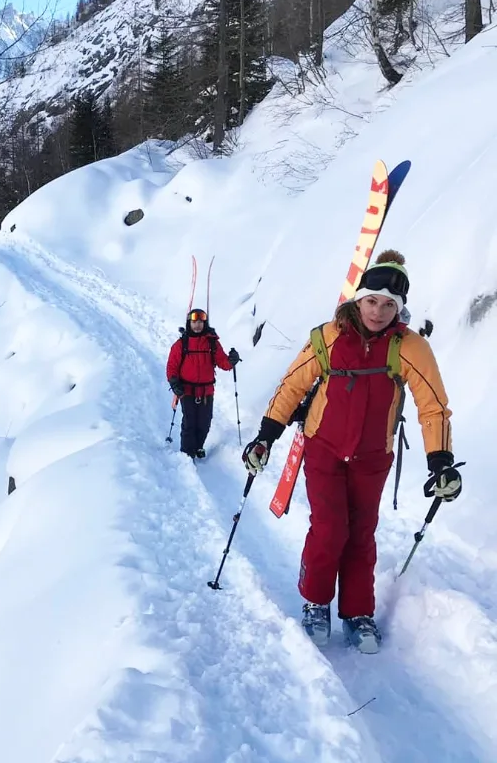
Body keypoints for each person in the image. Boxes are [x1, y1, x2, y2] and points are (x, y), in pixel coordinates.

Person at [241, 250, 461, 653]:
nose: (378, 312)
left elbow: (433, 406)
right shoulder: (327, 336)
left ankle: (358, 612)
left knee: (361, 535)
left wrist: (440, 462)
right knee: (330, 529)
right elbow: (291, 386)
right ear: (357, 299)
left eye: (389, 305)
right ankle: (316, 601)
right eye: (371, 301)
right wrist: (265, 436)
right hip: (323, 449)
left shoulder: (410, 348)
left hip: (373, 456)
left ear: (400, 309)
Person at [167, 308, 240, 459]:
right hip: (186, 390)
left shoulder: (212, 342)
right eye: (194, 322)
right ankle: (187, 455)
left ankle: (198, 447)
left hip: (206, 391)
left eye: (200, 322)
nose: (197, 325)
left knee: (204, 423)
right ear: (189, 323)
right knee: (189, 423)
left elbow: (223, 362)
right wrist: (174, 383)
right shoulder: (181, 344)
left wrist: (231, 360)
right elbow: (172, 366)